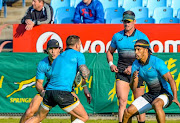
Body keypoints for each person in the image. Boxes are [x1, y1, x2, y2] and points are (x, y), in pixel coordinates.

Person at [26, 35, 92, 123]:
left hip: (49, 92)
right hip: (63, 92)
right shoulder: (78, 55)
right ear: (77, 45)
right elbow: (85, 74)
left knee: (37, 117)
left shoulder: (59, 58)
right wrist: (86, 73)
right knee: (83, 117)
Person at [106, 11, 150, 123]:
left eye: (129, 21)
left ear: (134, 21)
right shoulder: (117, 36)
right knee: (122, 101)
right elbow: (109, 52)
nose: (127, 24)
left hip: (138, 73)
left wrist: (134, 67)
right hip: (121, 73)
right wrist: (111, 64)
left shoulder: (142, 36)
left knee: (140, 102)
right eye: (125, 21)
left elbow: (148, 56)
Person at [123, 39, 180, 123]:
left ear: (146, 50)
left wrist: (175, 97)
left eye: (138, 49)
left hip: (165, 93)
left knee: (157, 104)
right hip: (151, 94)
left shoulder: (157, 62)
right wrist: (133, 79)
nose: (136, 52)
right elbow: (133, 88)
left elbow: (171, 80)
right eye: (135, 50)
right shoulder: (135, 64)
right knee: (127, 112)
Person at [19, 39, 61, 123]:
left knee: (78, 114)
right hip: (49, 88)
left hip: (65, 88)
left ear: (59, 50)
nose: (53, 51)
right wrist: (42, 92)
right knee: (29, 112)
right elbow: (39, 83)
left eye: (55, 48)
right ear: (47, 50)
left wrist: (84, 87)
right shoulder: (42, 63)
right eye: (50, 49)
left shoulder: (65, 61)